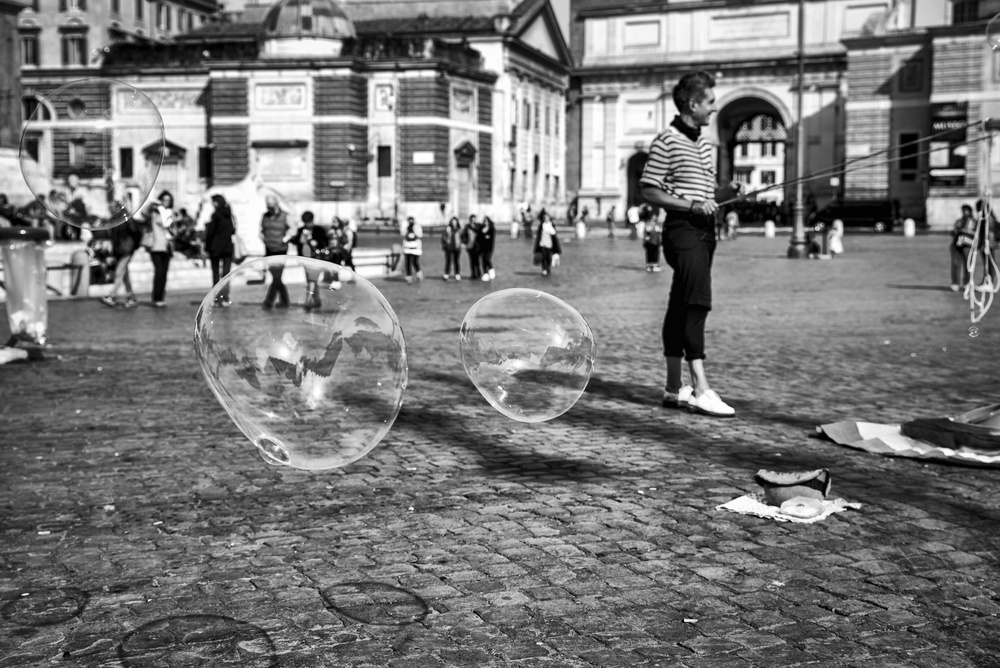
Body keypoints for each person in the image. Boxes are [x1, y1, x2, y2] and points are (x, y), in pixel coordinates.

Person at [640, 70, 735, 418]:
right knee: (697, 302)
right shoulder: (666, 141)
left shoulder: (704, 144)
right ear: (693, 104)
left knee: (680, 304)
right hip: (682, 231)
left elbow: (706, 194)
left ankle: (672, 387)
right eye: (710, 102)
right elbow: (649, 189)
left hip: (706, 232)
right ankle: (700, 388)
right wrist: (693, 206)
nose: (714, 108)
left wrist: (725, 192)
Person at [100, 219, 143, 308]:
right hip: (119, 252)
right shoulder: (115, 220)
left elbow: (137, 234)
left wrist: (132, 247)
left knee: (119, 272)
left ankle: (112, 295)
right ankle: (132, 297)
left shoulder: (127, 221)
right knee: (125, 276)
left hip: (126, 251)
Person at [291, 211, 329, 309]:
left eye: (309, 221)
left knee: (312, 280)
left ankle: (308, 301)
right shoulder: (301, 230)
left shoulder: (319, 230)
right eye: (306, 222)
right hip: (305, 259)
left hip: (316, 259)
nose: (308, 224)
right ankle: (317, 300)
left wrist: (317, 243)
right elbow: (296, 242)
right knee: (311, 280)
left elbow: (325, 242)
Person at [204, 194, 236, 307]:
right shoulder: (229, 215)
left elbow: (210, 233)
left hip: (216, 247)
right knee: (226, 274)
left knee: (216, 274)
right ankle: (225, 298)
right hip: (227, 247)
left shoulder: (216, 215)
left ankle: (217, 299)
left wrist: (206, 247)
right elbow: (233, 230)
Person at [260, 195, 291, 308]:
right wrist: (263, 238)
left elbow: (293, 229)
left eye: (271, 206)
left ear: (276, 204)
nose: (269, 208)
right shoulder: (265, 216)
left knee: (277, 276)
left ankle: (269, 301)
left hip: (280, 249)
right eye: (268, 206)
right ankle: (284, 300)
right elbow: (261, 229)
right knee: (275, 276)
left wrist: (285, 238)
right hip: (269, 249)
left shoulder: (285, 216)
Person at [146, 190, 176, 308]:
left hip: (168, 245)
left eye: (168, 200)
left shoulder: (171, 213)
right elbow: (143, 213)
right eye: (164, 199)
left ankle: (161, 298)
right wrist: (152, 203)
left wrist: (173, 229)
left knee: (164, 273)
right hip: (156, 245)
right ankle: (156, 298)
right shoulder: (155, 212)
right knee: (159, 271)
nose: (166, 202)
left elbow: (175, 230)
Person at [975, 199, 999, 291]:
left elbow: (987, 232)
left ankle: (989, 283)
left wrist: (984, 245)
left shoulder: (988, 218)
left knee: (989, 263)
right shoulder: (986, 218)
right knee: (987, 263)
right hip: (986, 243)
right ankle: (986, 282)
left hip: (988, 244)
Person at [950, 204, 976, 292]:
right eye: (964, 210)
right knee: (955, 264)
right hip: (956, 245)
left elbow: (977, 234)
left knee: (968, 265)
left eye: (967, 210)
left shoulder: (974, 221)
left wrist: (967, 231)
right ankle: (955, 283)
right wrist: (956, 231)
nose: (965, 212)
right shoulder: (959, 221)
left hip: (967, 245)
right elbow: (953, 231)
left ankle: (967, 283)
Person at [533, 211, 560, 276]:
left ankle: (548, 268)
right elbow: (538, 235)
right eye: (545, 217)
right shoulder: (542, 225)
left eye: (547, 217)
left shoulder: (551, 225)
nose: (546, 219)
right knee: (543, 257)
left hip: (549, 244)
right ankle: (544, 269)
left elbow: (554, 235)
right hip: (542, 244)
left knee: (548, 257)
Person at [401, 216, 423, 283]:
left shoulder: (417, 227)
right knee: (407, 262)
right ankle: (409, 276)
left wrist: (414, 229)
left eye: (411, 220)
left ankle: (418, 272)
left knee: (415, 261)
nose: (410, 222)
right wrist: (407, 228)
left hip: (415, 248)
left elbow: (420, 235)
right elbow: (402, 233)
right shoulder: (406, 227)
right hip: (407, 247)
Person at [441, 216, 462, 280]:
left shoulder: (459, 229)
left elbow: (463, 237)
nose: (454, 223)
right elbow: (443, 237)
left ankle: (457, 274)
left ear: (457, 222)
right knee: (448, 261)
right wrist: (444, 245)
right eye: (453, 222)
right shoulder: (448, 229)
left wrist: (461, 244)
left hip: (457, 247)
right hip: (449, 247)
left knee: (456, 261)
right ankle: (446, 274)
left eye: (455, 222)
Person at [642, 207, 663, 272]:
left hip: (656, 241)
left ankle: (655, 265)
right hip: (650, 241)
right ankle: (649, 265)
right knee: (649, 253)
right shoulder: (648, 223)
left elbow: (660, 231)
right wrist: (646, 236)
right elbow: (646, 232)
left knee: (655, 253)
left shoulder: (658, 224)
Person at [462, 215, 481, 279]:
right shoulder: (467, 227)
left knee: (477, 260)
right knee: (472, 261)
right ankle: (473, 274)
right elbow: (464, 236)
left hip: (477, 246)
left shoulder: (478, 226)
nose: (473, 221)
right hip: (470, 246)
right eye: (472, 220)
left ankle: (479, 273)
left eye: (474, 219)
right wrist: (464, 243)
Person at [479, 215, 497, 281]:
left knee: (487, 259)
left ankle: (491, 270)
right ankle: (485, 273)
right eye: (484, 221)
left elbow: (491, 238)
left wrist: (486, 237)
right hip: (482, 247)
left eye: (486, 221)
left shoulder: (491, 228)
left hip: (489, 247)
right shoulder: (481, 228)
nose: (485, 222)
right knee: (483, 260)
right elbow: (480, 236)